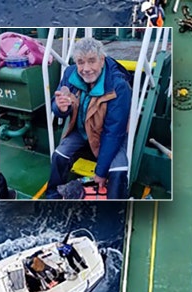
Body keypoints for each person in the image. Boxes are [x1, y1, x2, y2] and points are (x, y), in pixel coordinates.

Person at [45, 37, 132, 199]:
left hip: (108, 135)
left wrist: (100, 171)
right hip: (82, 130)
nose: (86, 68)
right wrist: (61, 108)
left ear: (101, 60)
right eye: (80, 62)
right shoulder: (70, 73)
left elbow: (114, 132)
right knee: (59, 155)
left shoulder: (118, 85)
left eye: (91, 61)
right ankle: (52, 198)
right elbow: (57, 107)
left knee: (118, 171)